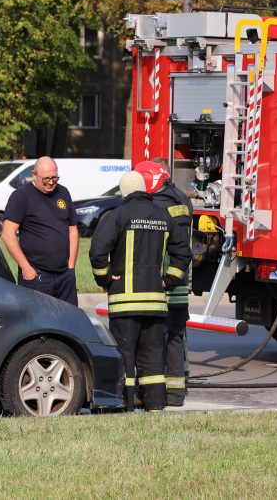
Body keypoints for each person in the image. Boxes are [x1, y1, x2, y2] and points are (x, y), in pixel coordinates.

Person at [89, 171, 191, 412]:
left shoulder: (118, 215)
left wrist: (104, 278)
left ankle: (125, 405)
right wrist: (170, 280)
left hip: (125, 304)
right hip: (155, 303)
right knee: (153, 358)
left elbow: (97, 252)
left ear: (124, 191)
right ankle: (155, 405)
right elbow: (183, 253)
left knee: (125, 355)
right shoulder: (162, 215)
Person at [135, 159, 193, 407]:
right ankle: (176, 394)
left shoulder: (156, 205)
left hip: (160, 284)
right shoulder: (183, 200)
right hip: (179, 282)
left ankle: (150, 393)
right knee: (176, 338)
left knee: (153, 341)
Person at [2, 156, 79, 306]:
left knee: (69, 322)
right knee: (38, 323)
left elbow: (73, 230)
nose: (51, 182)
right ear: (34, 175)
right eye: (46, 178)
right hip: (36, 275)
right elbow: (7, 234)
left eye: (54, 178)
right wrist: (26, 268)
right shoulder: (21, 196)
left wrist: (71, 267)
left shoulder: (63, 193)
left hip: (65, 275)